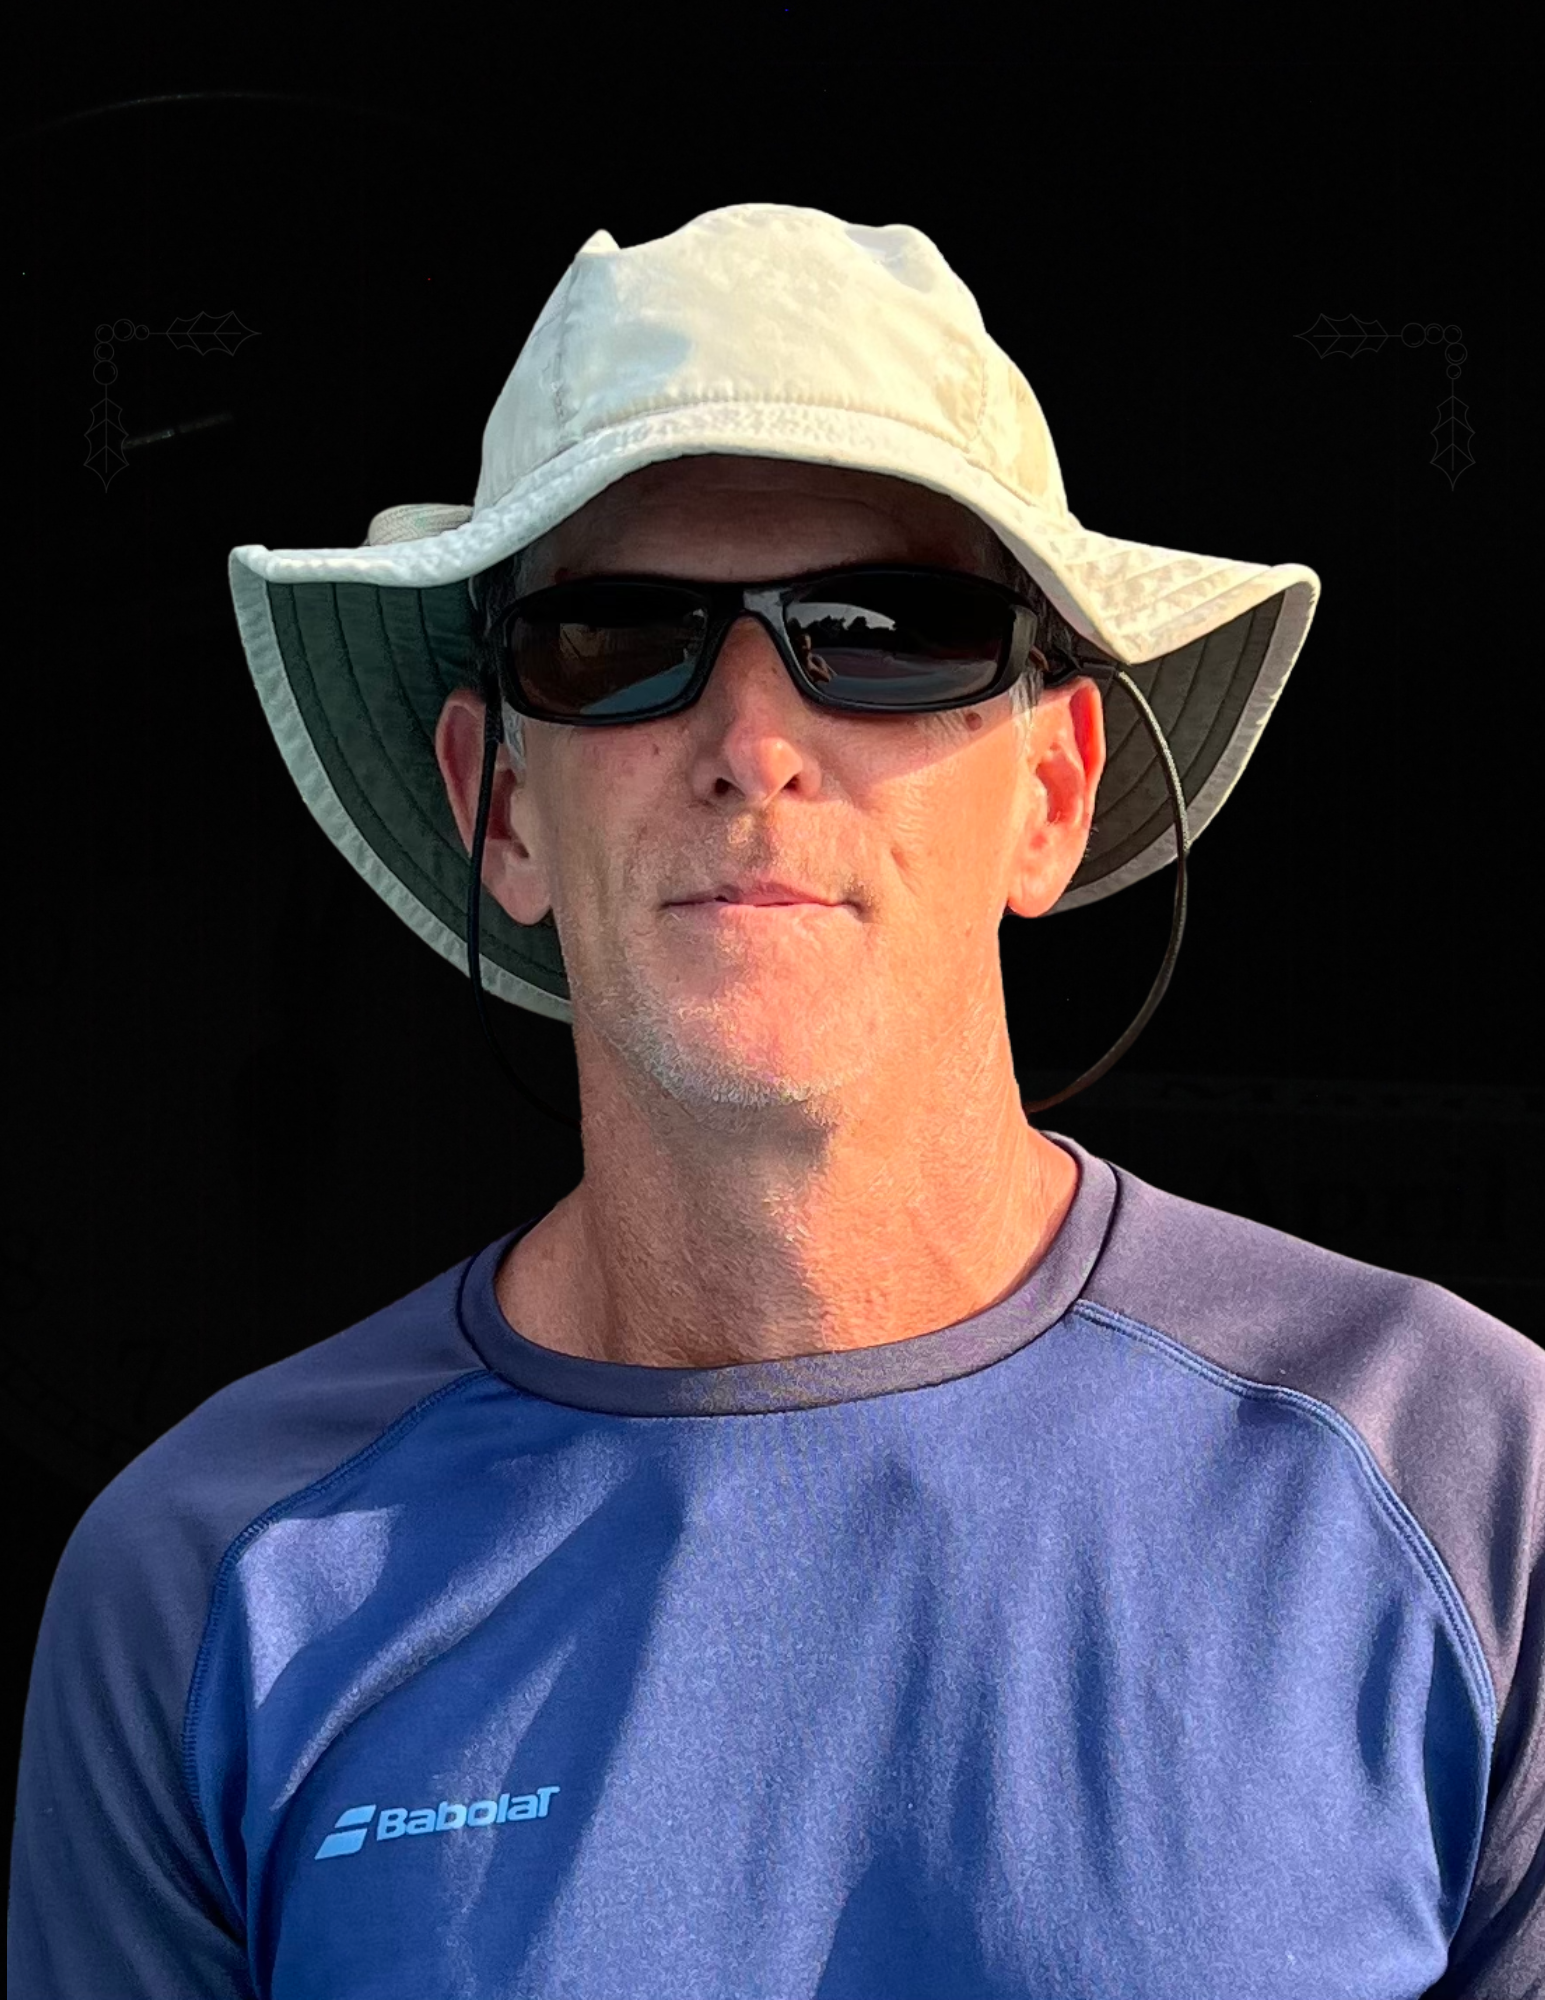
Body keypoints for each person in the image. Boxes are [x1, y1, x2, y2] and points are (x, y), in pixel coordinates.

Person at [9, 203, 1541, 1999]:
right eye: (614, 639)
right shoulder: (207, 1594)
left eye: (888, 629)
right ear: (496, 804)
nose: (753, 735)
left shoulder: (1470, 1490)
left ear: (1052, 788)